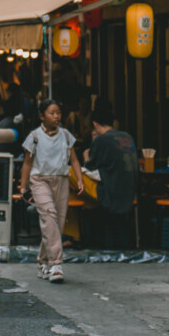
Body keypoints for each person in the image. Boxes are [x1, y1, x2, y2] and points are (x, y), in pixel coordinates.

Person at [17, 99, 84, 283]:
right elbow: (27, 163)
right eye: (52, 113)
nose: (56, 116)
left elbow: (75, 160)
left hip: (61, 180)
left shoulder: (66, 135)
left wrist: (79, 179)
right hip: (39, 181)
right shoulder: (35, 137)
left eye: (58, 113)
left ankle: (42, 262)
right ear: (41, 116)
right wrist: (23, 186)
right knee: (49, 216)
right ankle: (56, 264)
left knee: (57, 223)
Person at [85, 100, 138, 250]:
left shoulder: (101, 140)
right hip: (130, 192)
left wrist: (85, 157)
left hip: (110, 191)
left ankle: (74, 234)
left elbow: (90, 168)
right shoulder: (127, 136)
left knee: (70, 175)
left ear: (95, 124)